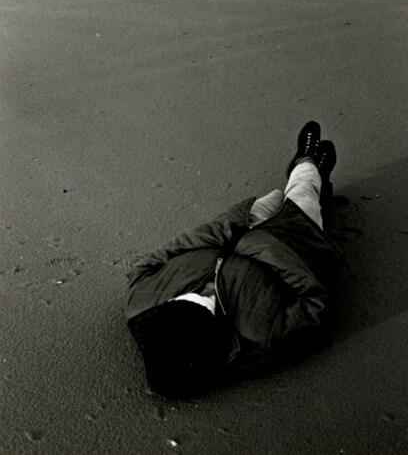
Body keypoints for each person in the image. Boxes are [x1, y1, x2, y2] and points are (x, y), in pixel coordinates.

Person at [125, 121, 342, 397]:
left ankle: (314, 179)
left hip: (234, 224)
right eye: (204, 301)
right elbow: (315, 303)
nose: (201, 294)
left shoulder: (139, 300)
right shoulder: (261, 339)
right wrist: (262, 248)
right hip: (291, 237)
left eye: (187, 296)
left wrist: (219, 232)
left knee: (274, 197)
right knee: (303, 191)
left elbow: (156, 257)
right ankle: (309, 165)